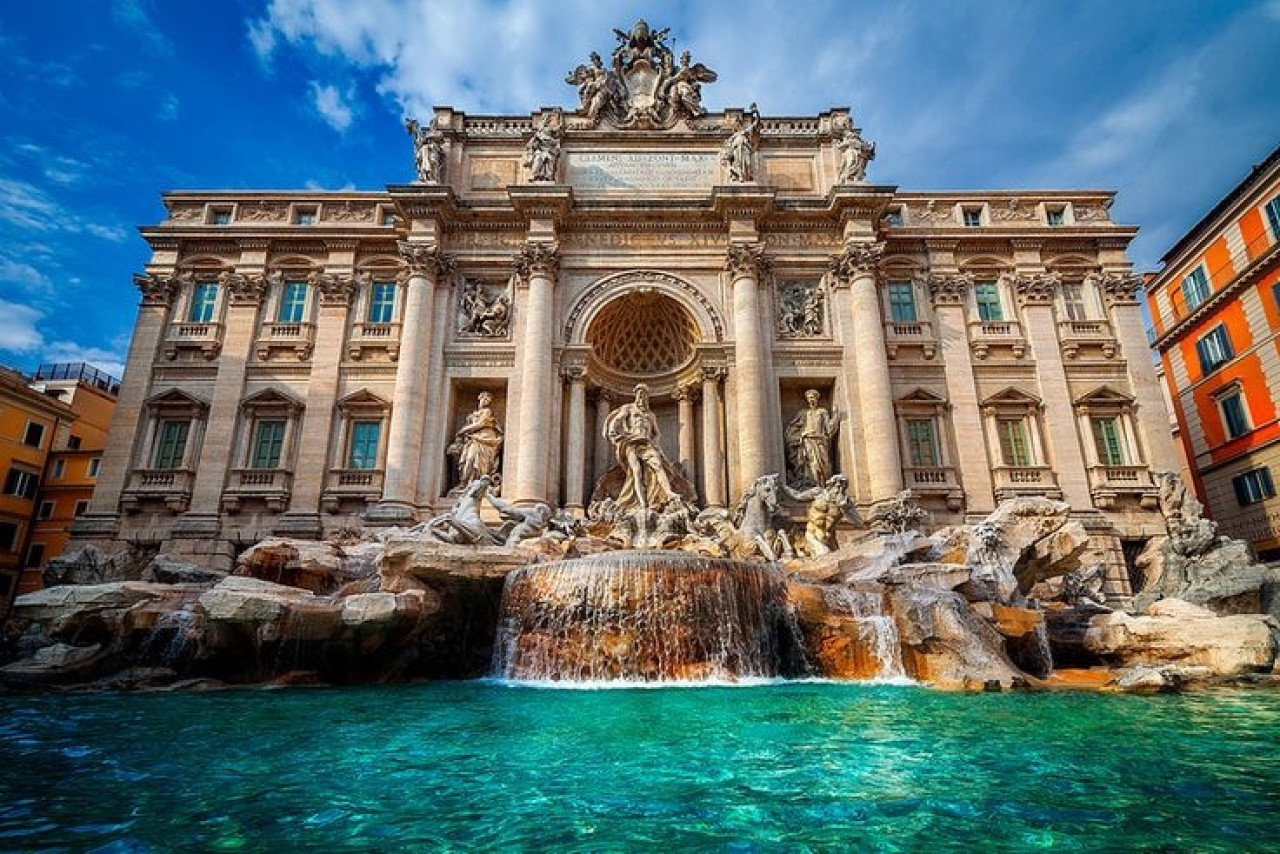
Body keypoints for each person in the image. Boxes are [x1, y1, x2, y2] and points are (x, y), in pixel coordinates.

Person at [603, 383, 678, 513]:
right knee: (636, 472)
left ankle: (668, 492)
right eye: (639, 395)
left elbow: (657, 432)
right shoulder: (629, 408)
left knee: (658, 466)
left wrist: (655, 443)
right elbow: (618, 419)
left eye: (643, 395)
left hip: (646, 443)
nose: (641, 398)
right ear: (636, 396)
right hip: (631, 442)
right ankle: (642, 504)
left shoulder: (650, 415)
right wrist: (612, 431)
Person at [785, 389, 840, 488]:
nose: (811, 400)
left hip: (820, 441)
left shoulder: (822, 412)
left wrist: (836, 416)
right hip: (807, 441)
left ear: (817, 399)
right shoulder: (803, 413)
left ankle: (823, 485)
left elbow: (829, 428)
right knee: (811, 465)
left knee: (824, 465)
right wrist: (799, 436)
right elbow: (792, 427)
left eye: (813, 398)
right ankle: (813, 486)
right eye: (809, 398)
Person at [448, 392, 504, 486]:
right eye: (485, 399)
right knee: (469, 459)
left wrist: (463, 430)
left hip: (485, 439)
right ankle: (464, 483)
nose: (487, 402)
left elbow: (481, 424)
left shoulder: (487, 412)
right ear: (480, 398)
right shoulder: (472, 415)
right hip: (473, 440)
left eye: (488, 400)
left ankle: (477, 484)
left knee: (479, 462)